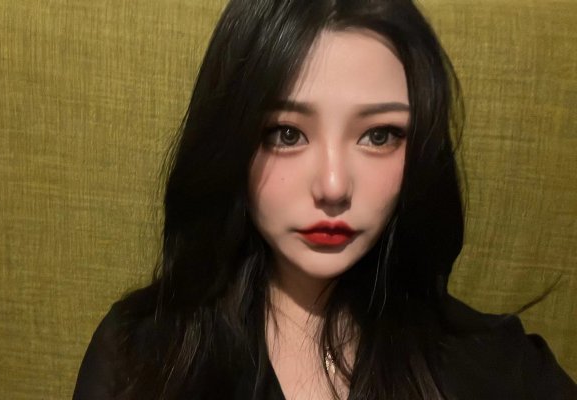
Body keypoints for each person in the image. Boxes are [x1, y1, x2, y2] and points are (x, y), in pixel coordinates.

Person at [73, 0, 576, 399]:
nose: (333, 187)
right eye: (286, 133)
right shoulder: (139, 355)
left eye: (379, 136)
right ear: (230, 143)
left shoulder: (498, 366)